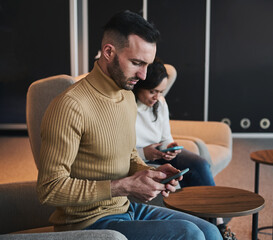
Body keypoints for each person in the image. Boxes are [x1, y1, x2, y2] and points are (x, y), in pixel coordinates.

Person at [37, 10, 222, 240]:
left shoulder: (126, 97)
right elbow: (49, 189)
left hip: (125, 209)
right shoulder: (70, 106)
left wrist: (152, 173)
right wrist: (124, 187)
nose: (144, 75)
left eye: (148, 64)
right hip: (86, 223)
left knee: (211, 231)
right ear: (108, 52)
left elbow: (129, 156)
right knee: (189, 234)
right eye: (136, 63)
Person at [133, 58, 237, 240]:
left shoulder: (160, 103)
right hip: (140, 156)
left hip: (160, 153)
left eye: (161, 91)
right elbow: (122, 150)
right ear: (140, 85)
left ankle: (217, 222)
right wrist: (145, 153)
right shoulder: (127, 107)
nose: (157, 97)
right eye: (152, 91)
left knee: (198, 163)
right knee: (185, 171)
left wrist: (171, 146)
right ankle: (211, 225)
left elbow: (166, 137)